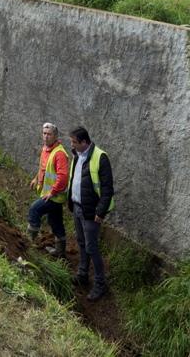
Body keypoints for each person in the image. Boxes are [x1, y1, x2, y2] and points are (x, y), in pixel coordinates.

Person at [67, 126, 115, 301]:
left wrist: (100, 212)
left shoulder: (100, 157)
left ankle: (100, 284)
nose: (71, 144)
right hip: (78, 207)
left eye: (73, 142)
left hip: (91, 212)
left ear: (84, 142)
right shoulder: (77, 156)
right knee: (81, 242)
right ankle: (82, 274)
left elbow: (108, 188)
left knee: (91, 247)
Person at [27, 122, 69, 257]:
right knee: (55, 221)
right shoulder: (46, 149)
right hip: (49, 194)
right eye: (44, 133)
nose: (45, 137)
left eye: (49, 134)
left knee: (34, 209)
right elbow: (43, 168)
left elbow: (63, 177)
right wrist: (35, 178)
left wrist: (52, 192)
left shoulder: (60, 154)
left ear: (55, 136)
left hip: (54, 196)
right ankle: (60, 252)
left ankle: (29, 243)